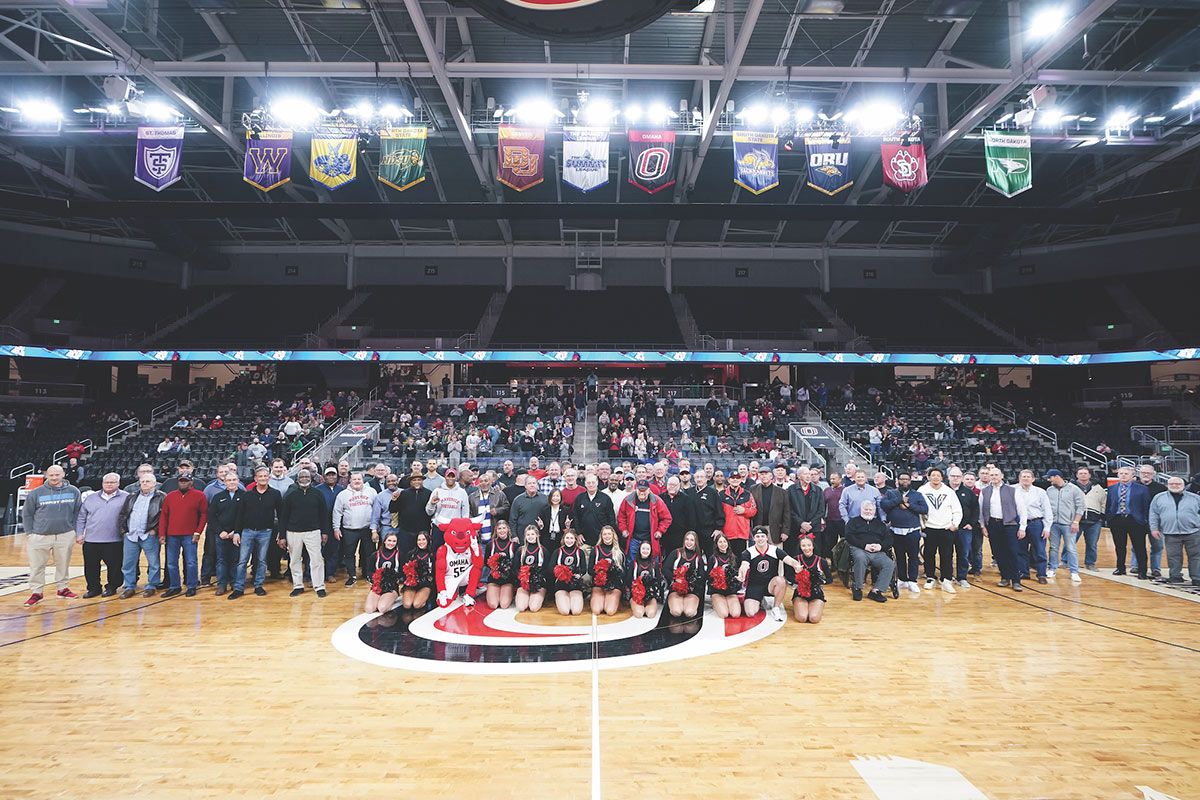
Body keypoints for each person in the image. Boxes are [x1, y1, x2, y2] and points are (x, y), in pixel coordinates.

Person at [20, 465, 82, 607]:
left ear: (63, 474)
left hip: (65, 534)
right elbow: (27, 514)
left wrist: (76, 531)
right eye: (51, 475)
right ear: (46, 476)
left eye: (57, 475)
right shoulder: (36, 493)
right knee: (37, 566)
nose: (54, 477)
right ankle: (37, 592)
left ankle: (62, 588)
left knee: (63, 563)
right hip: (39, 535)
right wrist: (30, 533)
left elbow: (78, 512)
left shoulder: (74, 491)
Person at [227, 467, 283, 600]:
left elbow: (281, 514)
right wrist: (236, 532)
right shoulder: (247, 494)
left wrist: (281, 532)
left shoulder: (275, 494)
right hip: (247, 531)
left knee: (262, 560)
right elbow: (239, 515)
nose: (263, 478)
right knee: (242, 561)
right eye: (260, 476)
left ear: (268, 477)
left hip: (266, 532)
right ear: (255, 479)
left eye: (265, 476)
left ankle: (258, 585)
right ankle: (239, 588)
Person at [74, 472, 127, 598]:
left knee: (114, 567)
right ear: (102, 483)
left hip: (114, 539)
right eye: (106, 482)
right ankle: (93, 588)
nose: (109, 484)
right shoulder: (91, 498)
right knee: (91, 566)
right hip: (91, 539)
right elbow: (81, 517)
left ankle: (112, 587)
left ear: (118, 483)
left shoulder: (126, 497)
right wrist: (80, 534)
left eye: (112, 482)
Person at [280, 467, 330, 598]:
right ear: (297, 479)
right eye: (301, 477)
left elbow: (324, 514)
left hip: (313, 531)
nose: (304, 479)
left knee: (317, 560)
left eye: (307, 477)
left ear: (311, 478)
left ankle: (319, 586)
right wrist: (282, 536)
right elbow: (283, 517)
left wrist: (324, 532)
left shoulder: (318, 494)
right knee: (294, 560)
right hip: (293, 532)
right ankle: (298, 585)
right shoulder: (290, 495)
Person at [737, 526, 806, 620]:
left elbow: (789, 560)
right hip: (754, 585)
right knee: (750, 612)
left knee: (781, 580)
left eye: (762, 536)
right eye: (757, 536)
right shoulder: (748, 552)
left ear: (766, 537)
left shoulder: (774, 550)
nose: (760, 539)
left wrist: (796, 565)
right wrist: (741, 574)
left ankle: (776, 608)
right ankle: (759, 599)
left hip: (770, 584)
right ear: (754, 538)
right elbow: (744, 565)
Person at [158, 473, 207, 598]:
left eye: (186, 481)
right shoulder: (170, 496)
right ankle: (174, 586)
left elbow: (204, 515)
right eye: (181, 481)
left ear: (191, 482)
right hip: (172, 535)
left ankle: (191, 586)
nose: (183, 483)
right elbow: (164, 516)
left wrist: (198, 532)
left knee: (191, 561)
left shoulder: (200, 496)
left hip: (190, 534)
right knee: (171, 562)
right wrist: (162, 533)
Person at [117, 473, 165, 599]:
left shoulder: (161, 497)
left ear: (154, 484)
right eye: (142, 481)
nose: (144, 483)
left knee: (153, 562)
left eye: (148, 481)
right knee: (128, 563)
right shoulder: (131, 496)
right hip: (131, 535)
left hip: (149, 535)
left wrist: (156, 530)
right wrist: (124, 531)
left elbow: (165, 517)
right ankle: (129, 586)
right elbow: (123, 514)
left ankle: (152, 585)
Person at [881, 472, 928, 595]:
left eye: (907, 479)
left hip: (912, 530)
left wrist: (909, 505)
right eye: (902, 479)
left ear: (910, 481)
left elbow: (924, 509)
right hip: (896, 530)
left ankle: (912, 581)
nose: (905, 481)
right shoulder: (891, 493)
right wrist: (899, 500)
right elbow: (884, 505)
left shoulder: (917, 494)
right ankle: (902, 579)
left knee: (913, 557)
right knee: (900, 557)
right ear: (898, 481)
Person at [981, 469, 1028, 591]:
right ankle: (1005, 577)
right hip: (993, 525)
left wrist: (1022, 527)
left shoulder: (1012, 490)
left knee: (1012, 552)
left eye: (996, 475)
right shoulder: (984, 491)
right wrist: (983, 526)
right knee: (998, 553)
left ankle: (1016, 580)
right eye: (991, 475)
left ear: (1001, 476)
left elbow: (1022, 509)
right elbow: (981, 511)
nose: (994, 477)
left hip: (1010, 525)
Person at [918, 467, 963, 593]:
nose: (936, 477)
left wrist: (955, 524)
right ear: (928, 477)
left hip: (946, 528)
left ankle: (946, 580)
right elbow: (917, 509)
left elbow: (957, 510)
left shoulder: (949, 492)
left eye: (938, 475)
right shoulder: (922, 490)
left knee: (947, 555)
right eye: (933, 475)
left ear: (942, 478)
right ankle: (930, 578)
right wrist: (922, 525)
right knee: (929, 554)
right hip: (930, 528)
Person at [1149, 476, 1200, 586]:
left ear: (1184, 486)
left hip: (1193, 532)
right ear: (1167, 485)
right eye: (1172, 484)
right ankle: (1175, 576)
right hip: (1170, 532)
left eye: (1178, 484)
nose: (1175, 486)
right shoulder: (1158, 498)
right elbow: (1153, 514)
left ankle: (1197, 577)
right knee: (1173, 556)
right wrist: (1154, 528)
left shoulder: (1195, 498)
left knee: (1196, 556)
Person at [843, 502, 894, 604]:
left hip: (877, 551)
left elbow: (889, 539)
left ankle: (876, 591)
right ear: (861, 510)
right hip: (859, 548)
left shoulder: (880, 524)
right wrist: (864, 545)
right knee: (860, 558)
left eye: (870, 510)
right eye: (866, 509)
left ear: (874, 511)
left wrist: (880, 546)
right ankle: (857, 587)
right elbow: (849, 536)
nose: (868, 511)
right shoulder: (853, 522)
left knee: (889, 564)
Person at [333, 472, 378, 587]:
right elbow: (337, 512)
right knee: (349, 554)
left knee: (369, 553)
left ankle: (368, 574)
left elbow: (377, 510)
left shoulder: (371, 492)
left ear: (363, 480)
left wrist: (375, 528)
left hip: (367, 528)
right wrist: (336, 528)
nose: (357, 481)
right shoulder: (343, 495)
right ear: (350, 481)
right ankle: (352, 576)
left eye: (359, 479)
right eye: (354, 479)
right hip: (349, 529)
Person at [1106, 466, 1151, 578]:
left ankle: (1142, 571)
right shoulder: (1112, 488)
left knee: (1139, 547)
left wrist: (1145, 521)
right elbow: (1109, 505)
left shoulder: (1142, 489)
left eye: (1126, 473)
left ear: (1133, 476)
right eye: (1121, 473)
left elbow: (1146, 506)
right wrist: (1109, 518)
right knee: (1119, 546)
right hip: (1117, 519)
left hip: (1135, 520)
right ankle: (1120, 568)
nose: (1123, 475)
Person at [207, 471, 244, 597]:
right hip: (221, 535)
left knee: (236, 560)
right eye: (229, 480)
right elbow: (211, 517)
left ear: (238, 481)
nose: (232, 482)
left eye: (234, 479)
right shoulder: (218, 497)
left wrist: (236, 531)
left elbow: (245, 516)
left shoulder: (245, 496)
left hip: (237, 535)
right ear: (225, 482)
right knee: (221, 560)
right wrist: (220, 531)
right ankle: (221, 584)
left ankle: (234, 583)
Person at [1045, 469, 1085, 584]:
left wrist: (1076, 522)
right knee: (1053, 547)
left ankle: (1074, 571)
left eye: (1050, 477)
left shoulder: (1074, 489)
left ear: (1057, 477)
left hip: (1069, 524)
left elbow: (1080, 507)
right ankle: (1052, 568)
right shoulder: (1049, 490)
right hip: (1053, 524)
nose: (1048, 480)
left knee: (1071, 548)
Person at [618, 478, 673, 561]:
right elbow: (621, 516)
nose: (642, 492)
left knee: (653, 563)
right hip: (634, 539)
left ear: (649, 490)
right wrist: (624, 529)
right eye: (640, 490)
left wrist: (660, 531)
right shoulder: (628, 500)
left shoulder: (657, 501)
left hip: (651, 539)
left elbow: (667, 518)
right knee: (631, 563)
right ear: (636, 489)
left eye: (644, 490)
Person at [1133, 464, 1168, 578]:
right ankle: (1136, 566)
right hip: (1137, 521)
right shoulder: (1133, 486)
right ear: (1139, 474)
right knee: (1136, 545)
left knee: (1157, 546)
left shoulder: (1161, 488)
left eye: (1148, 473)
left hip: (1156, 522)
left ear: (1153, 474)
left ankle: (1155, 568)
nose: (1146, 475)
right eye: (1143, 473)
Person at [948, 467, 981, 586]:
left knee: (963, 554)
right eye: (953, 476)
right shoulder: (944, 490)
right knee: (947, 553)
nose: (955, 478)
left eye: (958, 476)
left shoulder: (968, 492)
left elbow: (975, 509)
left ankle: (962, 577)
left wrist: (971, 523)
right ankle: (948, 576)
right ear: (948, 477)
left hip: (963, 529)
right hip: (947, 528)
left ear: (961, 478)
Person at [663, 530, 707, 618]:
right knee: (676, 612)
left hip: (691, 591)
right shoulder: (676, 553)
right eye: (687, 539)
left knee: (689, 613)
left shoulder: (698, 558)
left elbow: (702, 576)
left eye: (692, 540)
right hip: (676, 589)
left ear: (695, 542)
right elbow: (665, 569)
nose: (689, 542)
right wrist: (676, 580)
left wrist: (691, 583)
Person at [426, 467, 469, 552]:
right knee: (437, 553)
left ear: (455, 478)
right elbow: (429, 512)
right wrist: (432, 503)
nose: (450, 478)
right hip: (439, 527)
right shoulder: (437, 491)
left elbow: (465, 513)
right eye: (448, 476)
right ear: (445, 477)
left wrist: (463, 528)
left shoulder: (462, 492)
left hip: (455, 529)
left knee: (454, 554)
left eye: (452, 476)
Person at [1072, 466, 1107, 572]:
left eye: (1085, 473)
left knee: (1092, 544)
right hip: (1076, 520)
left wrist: (1102, 516)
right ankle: (1065, 561)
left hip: (1094, 520)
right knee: (1071, 542)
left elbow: (1103, 503)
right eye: (1081, 473)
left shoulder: (1098, 488)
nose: (1083, 475)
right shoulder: (1071, 487)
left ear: (1089, 475)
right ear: (1077, 475)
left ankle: (1090, 563)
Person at [589, 525, 624, 616]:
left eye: (609, 534)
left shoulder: (619, 551)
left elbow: (624, 572)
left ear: (613, 535)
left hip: (614, 585)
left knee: (610, 611)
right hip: (599, 585)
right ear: (601, 536)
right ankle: (601, 598)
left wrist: (612, 573)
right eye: (604, 534)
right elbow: (589, 570)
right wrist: (600, 574)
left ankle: (615, 600)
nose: (607, 536)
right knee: (596, 611)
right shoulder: (595, 550)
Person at [550, 529, 587, 615]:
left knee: (576, 611)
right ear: (563, 539)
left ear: (575, 539)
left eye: (571, 538)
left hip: (575, 584)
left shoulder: (580, 552)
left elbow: (584, 569)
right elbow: (550, 569)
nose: (569, 540)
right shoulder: (557, 552)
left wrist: (575, 574)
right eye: (567, 538)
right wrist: (561, 573)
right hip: (561, 584)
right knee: (565, 611)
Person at [791, 535, 826, 624]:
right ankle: (799, 605)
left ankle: (815, 606)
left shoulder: (821, 561)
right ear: (800, 547)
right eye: (803, 546)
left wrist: (818, 580)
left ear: (813, 546)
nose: (807, 548)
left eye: (809, 545)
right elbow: (788, 577)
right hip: (800, 594)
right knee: (802, 618)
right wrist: (800, 579)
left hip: (816, 593)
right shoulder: (795, 560)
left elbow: (829, 579)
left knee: (814, 619)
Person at [573, 474, 616, 547]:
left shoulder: (605, 498)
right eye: (589, 483)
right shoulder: (580, 498)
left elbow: (611, 518)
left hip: (601, 540)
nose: (591, 485)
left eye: (593, 482)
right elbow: (576, 517)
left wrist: (608, 535)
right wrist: (578, 533)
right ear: (585, 484)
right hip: (584, 540)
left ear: (597, 483)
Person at [719, 472, 756, 557]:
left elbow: (754, 511)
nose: (735, 480)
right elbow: (718, 513)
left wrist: (744, 511)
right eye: (732, 478)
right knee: (727, 560)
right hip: (727, 533)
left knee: (741, 560)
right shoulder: (721, 494)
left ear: (740, 479)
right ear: (728, 480)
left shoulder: (748, 494)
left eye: (737, 478)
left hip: (742, 534)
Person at [750, 468, 791, 545]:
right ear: (758, 476)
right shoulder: (753, 489)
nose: (764, 476)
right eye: (761, 474)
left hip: (775, 530)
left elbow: (786, 513)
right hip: (758, 528)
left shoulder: (782, 492)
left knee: (776, 555)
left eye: (766, 474)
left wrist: (785, 531)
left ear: (771, 476)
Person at [318, 466, 346, 578]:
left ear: (337, 476)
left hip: (336, 525)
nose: (331, 477)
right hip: (320, 524)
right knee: (318, 551)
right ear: (324, 476)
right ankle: (315, 575)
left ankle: (330, 573)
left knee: (334, 550)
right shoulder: (318, 489)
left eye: (333, 474)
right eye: (328, 475)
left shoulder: (342, 490)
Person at [484, 520, 519, 610]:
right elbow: (486, 562)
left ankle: (510, 592)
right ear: (496, 530)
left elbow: (517, 565)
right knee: (493, 605)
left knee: (504, 604)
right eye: (499, 528)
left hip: (508, 580)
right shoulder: (490, 544)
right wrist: (496, 567)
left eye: (504, 528)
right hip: (494, 579)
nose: (502, 530)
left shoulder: (514, 546)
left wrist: (506, 568)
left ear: (508, 529)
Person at [365, 531, 402, 614]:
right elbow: (369, 571)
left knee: (382, 608)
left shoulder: (399, 555)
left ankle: (391, 599)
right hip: (377, 586)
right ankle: (380, 598)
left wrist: (394, 578)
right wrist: (375, 579)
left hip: (391, 587)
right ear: (384, 541)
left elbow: (402, 572)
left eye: (394, 541)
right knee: (369, 609)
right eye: (389, 540)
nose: (391, 543)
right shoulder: (375, 555)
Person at [708, 533, 742, 619]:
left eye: (724, 541)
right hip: (717, 591)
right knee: (724, 614)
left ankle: (726, 602)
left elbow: (737, 575)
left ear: (728, 543)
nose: (723, 544)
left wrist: (736, 581)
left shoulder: (734, 558)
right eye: (720, 542)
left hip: (730, 592)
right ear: (716, 544)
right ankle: (715, 602)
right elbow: (708, 577)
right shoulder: (713, 558)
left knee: (735, 614)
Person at [514, 524, 548, 613]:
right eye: (528, 535)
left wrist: (536, 579)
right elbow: (515, 568)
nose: (530, 537)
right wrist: (523, 578)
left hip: (539, 584)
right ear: (525, 536)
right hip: (524, 583)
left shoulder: (543, 550)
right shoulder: (520, 550)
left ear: (537, 535)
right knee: (521, 608)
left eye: (532, 534)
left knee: (533, 608)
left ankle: (539, 597)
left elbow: (547, 569)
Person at [660, 476, 697, 555]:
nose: (672, 487)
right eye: (670, 484)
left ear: (679, 485)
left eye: (674, 485)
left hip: (680, 537)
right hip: (663, 536)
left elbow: (691, 519)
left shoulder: (687, 500)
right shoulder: (660, 498)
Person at [399, 531, 435, 609]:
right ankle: (415, 595)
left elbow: (434, 573)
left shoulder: (432, 555)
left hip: (425, 584)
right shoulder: (411, 554)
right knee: (407, 605)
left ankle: (424, 598)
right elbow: (404, 570)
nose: (421, 542)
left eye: (423, 539)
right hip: (412, 584)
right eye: (419, 540)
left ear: (428, 540)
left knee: (416, 605)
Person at [627, 539, 661, 619]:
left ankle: (650, 605)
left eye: (647, 549)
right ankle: (636, 605)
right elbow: (628, 581)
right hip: (636, 595)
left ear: (650, 551)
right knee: (639, 614)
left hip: (650, 595)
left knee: (650, 614)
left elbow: (658, 581)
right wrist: (636, 591)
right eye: (643, 548)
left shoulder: (654, 564)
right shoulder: (633, 563)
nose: (645, 551)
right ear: (639, 550)